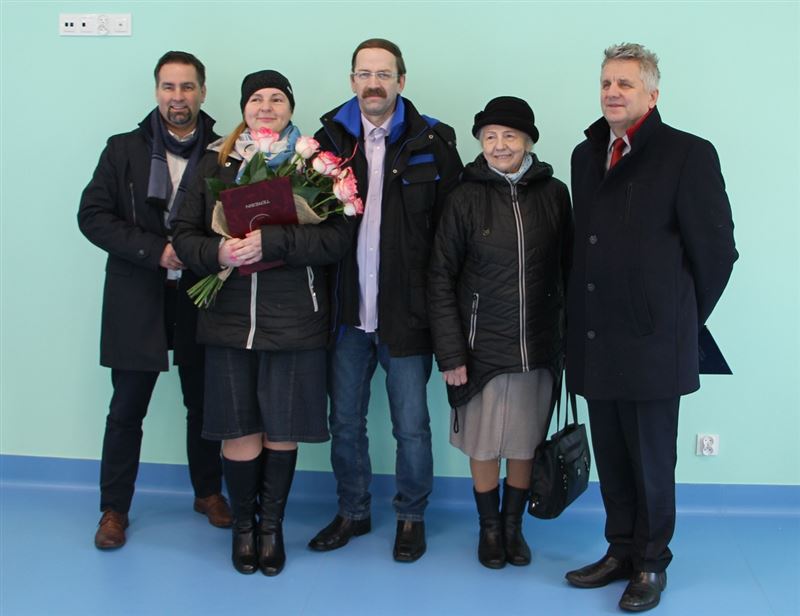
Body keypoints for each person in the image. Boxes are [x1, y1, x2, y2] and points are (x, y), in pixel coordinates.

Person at [565, 43, 737, 612]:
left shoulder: (688, 154)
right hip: (596, 336)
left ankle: (651, 563)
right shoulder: (586, 154)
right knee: (613, 456)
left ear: (652, 94)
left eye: (626, 84)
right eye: (606, 83)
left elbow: (717, 252)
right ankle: (619, 550)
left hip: (654, 342)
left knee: (652, 462)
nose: (613, 92)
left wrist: (677, 317)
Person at [172, 70, 355, 576]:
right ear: (244, 108)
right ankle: (244, 528)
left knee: (282, 428)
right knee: (238, 429)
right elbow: (183, 233)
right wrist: (218, 252)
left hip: (295, 320)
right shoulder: (216, 161)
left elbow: (336, 240)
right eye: (256, 98)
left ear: (290, 107)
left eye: (277, 98)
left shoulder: (314, 164)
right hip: (228, 320)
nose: (266, 106)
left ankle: (270, 527)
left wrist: (272, 242)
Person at [307, 38, 463, 562]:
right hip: (346, 313)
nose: (373, 83)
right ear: (352, 80)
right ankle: (353, 511)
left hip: (407, 313)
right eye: (364, 73)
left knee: (411, 428)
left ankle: (411, 517)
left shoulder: (433, 139)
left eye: (384, 74)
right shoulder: (326, 141)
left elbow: (451, 234)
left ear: (401, 80)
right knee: (345, 423)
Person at [78, 51, 231, 551]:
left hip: (200, 295)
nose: (178, 97)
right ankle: (114, 509)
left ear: (203, 92)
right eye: (169, 87)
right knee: (126, 408)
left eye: (187, 87)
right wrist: (155, 251)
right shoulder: (122, 148)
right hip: (138, 293)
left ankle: (208, 493)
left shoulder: (226, 152)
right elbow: (92, 216)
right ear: (156, 91)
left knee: (203, 404)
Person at [428, 97, 573, 569]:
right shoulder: (463, 197)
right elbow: (440, 278)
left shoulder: (555, 195)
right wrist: (451, 353)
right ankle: (489, 529)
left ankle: (514, 528)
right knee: (484, 443)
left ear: (528, 141)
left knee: (526, 443)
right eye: (489, 136)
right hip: (480, 348)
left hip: (539, 346)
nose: (499, 145)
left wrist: (569, 341)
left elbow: (569, 271)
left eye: (509, 135)